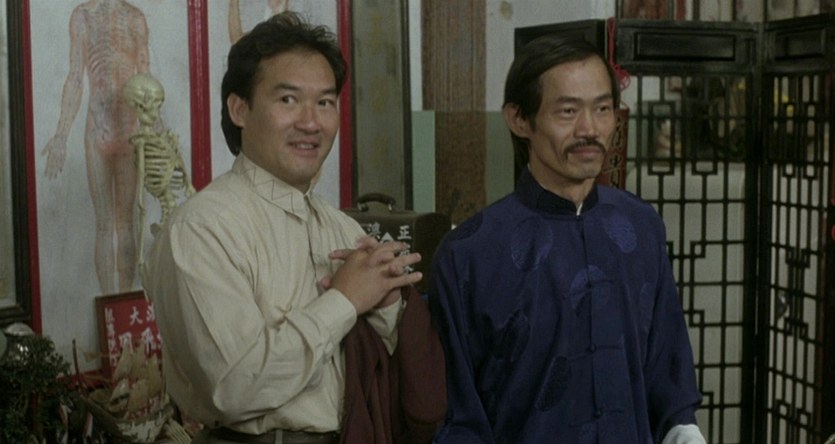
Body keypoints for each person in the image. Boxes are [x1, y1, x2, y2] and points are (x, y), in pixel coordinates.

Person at [144, 12, 439, 444]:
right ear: (239, 109)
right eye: (288, 99)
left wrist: (390, 305)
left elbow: (401, 379)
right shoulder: (201, 229)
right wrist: (344, 300)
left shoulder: (342, 227)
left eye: (325, 102)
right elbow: (233, 387)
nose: (311, 122)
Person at [429, 36, 706, 443]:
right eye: (568, 111)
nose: (589, 129)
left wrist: (684, 430)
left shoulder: (641, 227)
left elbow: (668, 369)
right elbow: (457, 414)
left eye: (603, 109)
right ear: (519, 119)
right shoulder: (470, 253)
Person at [41, 0, 150, 294]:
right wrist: (61, 135)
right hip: (99, 128)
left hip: (128, 130)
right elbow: (75, 78)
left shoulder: (134, 18)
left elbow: (145, 80)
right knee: (108, 224)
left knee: (123, 223)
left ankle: (122, 302)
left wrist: (156, 134)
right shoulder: (83, 16)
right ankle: (108, 304)